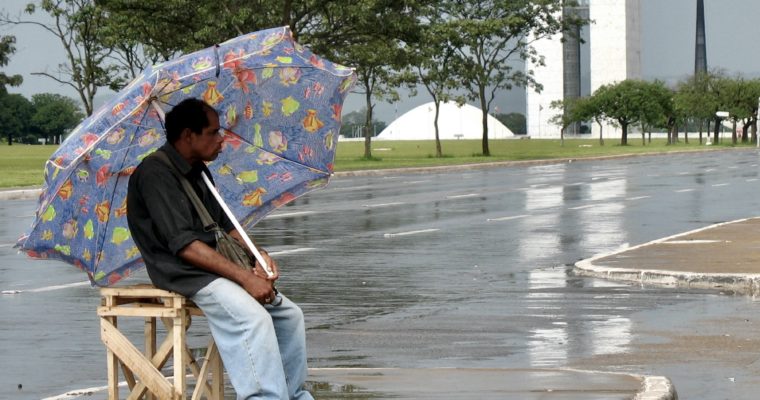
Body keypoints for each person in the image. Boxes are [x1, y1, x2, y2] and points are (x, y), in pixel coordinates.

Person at [127, 98, 314, 400]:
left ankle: (293, 396)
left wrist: (258, 256)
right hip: (185, 272)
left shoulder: (198, 170)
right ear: (188, 135)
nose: (221, 139)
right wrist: (246, 279)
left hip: (212, 265)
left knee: (289, 316)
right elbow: (185, 246)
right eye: (213, 132)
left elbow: (228, 229)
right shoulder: (155, 174)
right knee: (253, 319)